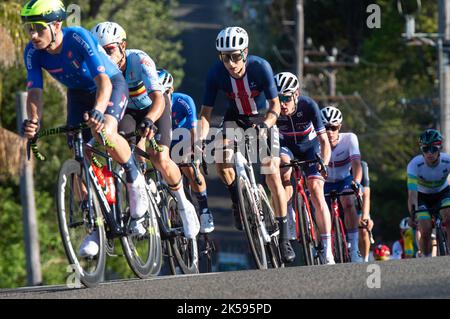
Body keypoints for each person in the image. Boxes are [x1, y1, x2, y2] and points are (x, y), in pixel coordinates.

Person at [21, 0, 151, 258]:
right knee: (79, 153)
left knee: (106, 133)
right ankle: (94, 223)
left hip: (109, 86)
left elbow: (104, 80)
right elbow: (35, 90)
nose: (33, 34)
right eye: (29, 28)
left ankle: (134, 180)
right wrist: (34, 121)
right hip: (79, 95)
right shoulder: (33, 52)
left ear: (57, 24)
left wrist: (100, 112)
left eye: (38, 27)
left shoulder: (78, 38)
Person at [90, 22, 199, 240]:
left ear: (123, 46)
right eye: (101, 52)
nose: (106, 56)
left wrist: (150, 120)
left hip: (154, 108)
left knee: (160, 157)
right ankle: (136, 208)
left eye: (110, 49)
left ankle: (183, 204)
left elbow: (159, 98)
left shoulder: (139, 59)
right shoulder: (100, 70)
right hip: (128, 112)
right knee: (121, 153)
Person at [198, 27, 293, 262]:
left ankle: (284, 239)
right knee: (221, 160)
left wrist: (266, 125)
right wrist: (198, 140)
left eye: (236, 56)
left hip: (262, 117)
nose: (231, 63)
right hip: (236, 118)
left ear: (246, 52)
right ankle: (237, 200)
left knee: (271, 173)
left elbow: (275, 106)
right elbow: (205, 114)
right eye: (225, 57)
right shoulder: (215, 73)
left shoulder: (261, 67)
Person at [274, 72, 335, 265]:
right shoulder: (273, 110)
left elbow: (324, 141)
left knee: (316, 191)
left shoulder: (308, 106)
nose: (282, 103)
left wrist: (323, 164)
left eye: (286, 98)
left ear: (296, 94)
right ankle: (289, 211)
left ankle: (327, 249)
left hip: (310, 148)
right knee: (283, 169)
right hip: (287, 148)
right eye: (278, 97)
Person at [157, 69, 214, 234]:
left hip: (185, 138)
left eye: (166, 93)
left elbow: (194, 129)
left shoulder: (183, 101)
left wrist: (195, 150)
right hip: (166, 143)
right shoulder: (152, 106)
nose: (163, 98)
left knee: (189, 167)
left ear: (172, 90)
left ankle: (204, 210)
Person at [321, 106, 364, 263]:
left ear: (339, 127)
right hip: (324, 182)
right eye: (325, 127)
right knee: (317, 209)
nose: (329, 132)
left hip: (344, 180)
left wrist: (356, 183)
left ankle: (354, 248)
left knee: (348, 201)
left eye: (333, 127)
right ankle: (320, 247)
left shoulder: (350, 139)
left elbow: (357, 164)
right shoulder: (315, 141)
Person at [407, 129, 450, 257]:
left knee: (449, 217)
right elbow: (412, 194)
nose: (429, 153)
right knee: (425, 230)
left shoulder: (447, 161)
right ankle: (427, 259)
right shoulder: (414, 165)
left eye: (433, 149)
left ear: (439, 149)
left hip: (442, 193)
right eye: (425, 149)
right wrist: (413, 215)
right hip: (422, 197)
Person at [357, 161, 374, 262]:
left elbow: (366, 194)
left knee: (363, 229)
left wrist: (365, 216)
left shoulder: (362, 166)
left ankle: (365, 259)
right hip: (341, 201)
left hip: (358, 203)